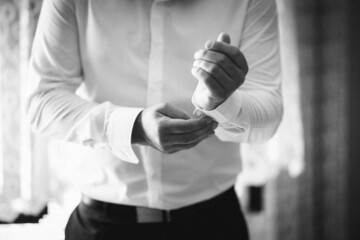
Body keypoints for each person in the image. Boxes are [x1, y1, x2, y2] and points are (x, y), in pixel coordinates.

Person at [26, 0, 283, 239]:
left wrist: (223, 102)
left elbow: (268, 118)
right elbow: (42, 101)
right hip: (100, 226)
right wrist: (133, 127)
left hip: (213, 222)